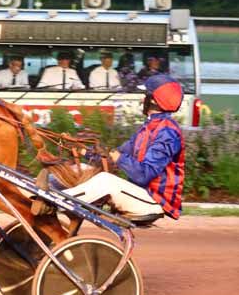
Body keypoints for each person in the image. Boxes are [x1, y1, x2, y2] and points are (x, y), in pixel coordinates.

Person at [63, 75, 185, 221]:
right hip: (141, 194)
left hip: (155, 201)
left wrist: (119, 158)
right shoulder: (148, 128)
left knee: (105, 180)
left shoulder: (168, 133)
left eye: (144, 95)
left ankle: (57, 202)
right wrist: (83, 151)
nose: (141, 100)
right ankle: (43, 194)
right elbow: (114, 155)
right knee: (80, 168)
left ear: (152, 100)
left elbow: (143, 175)